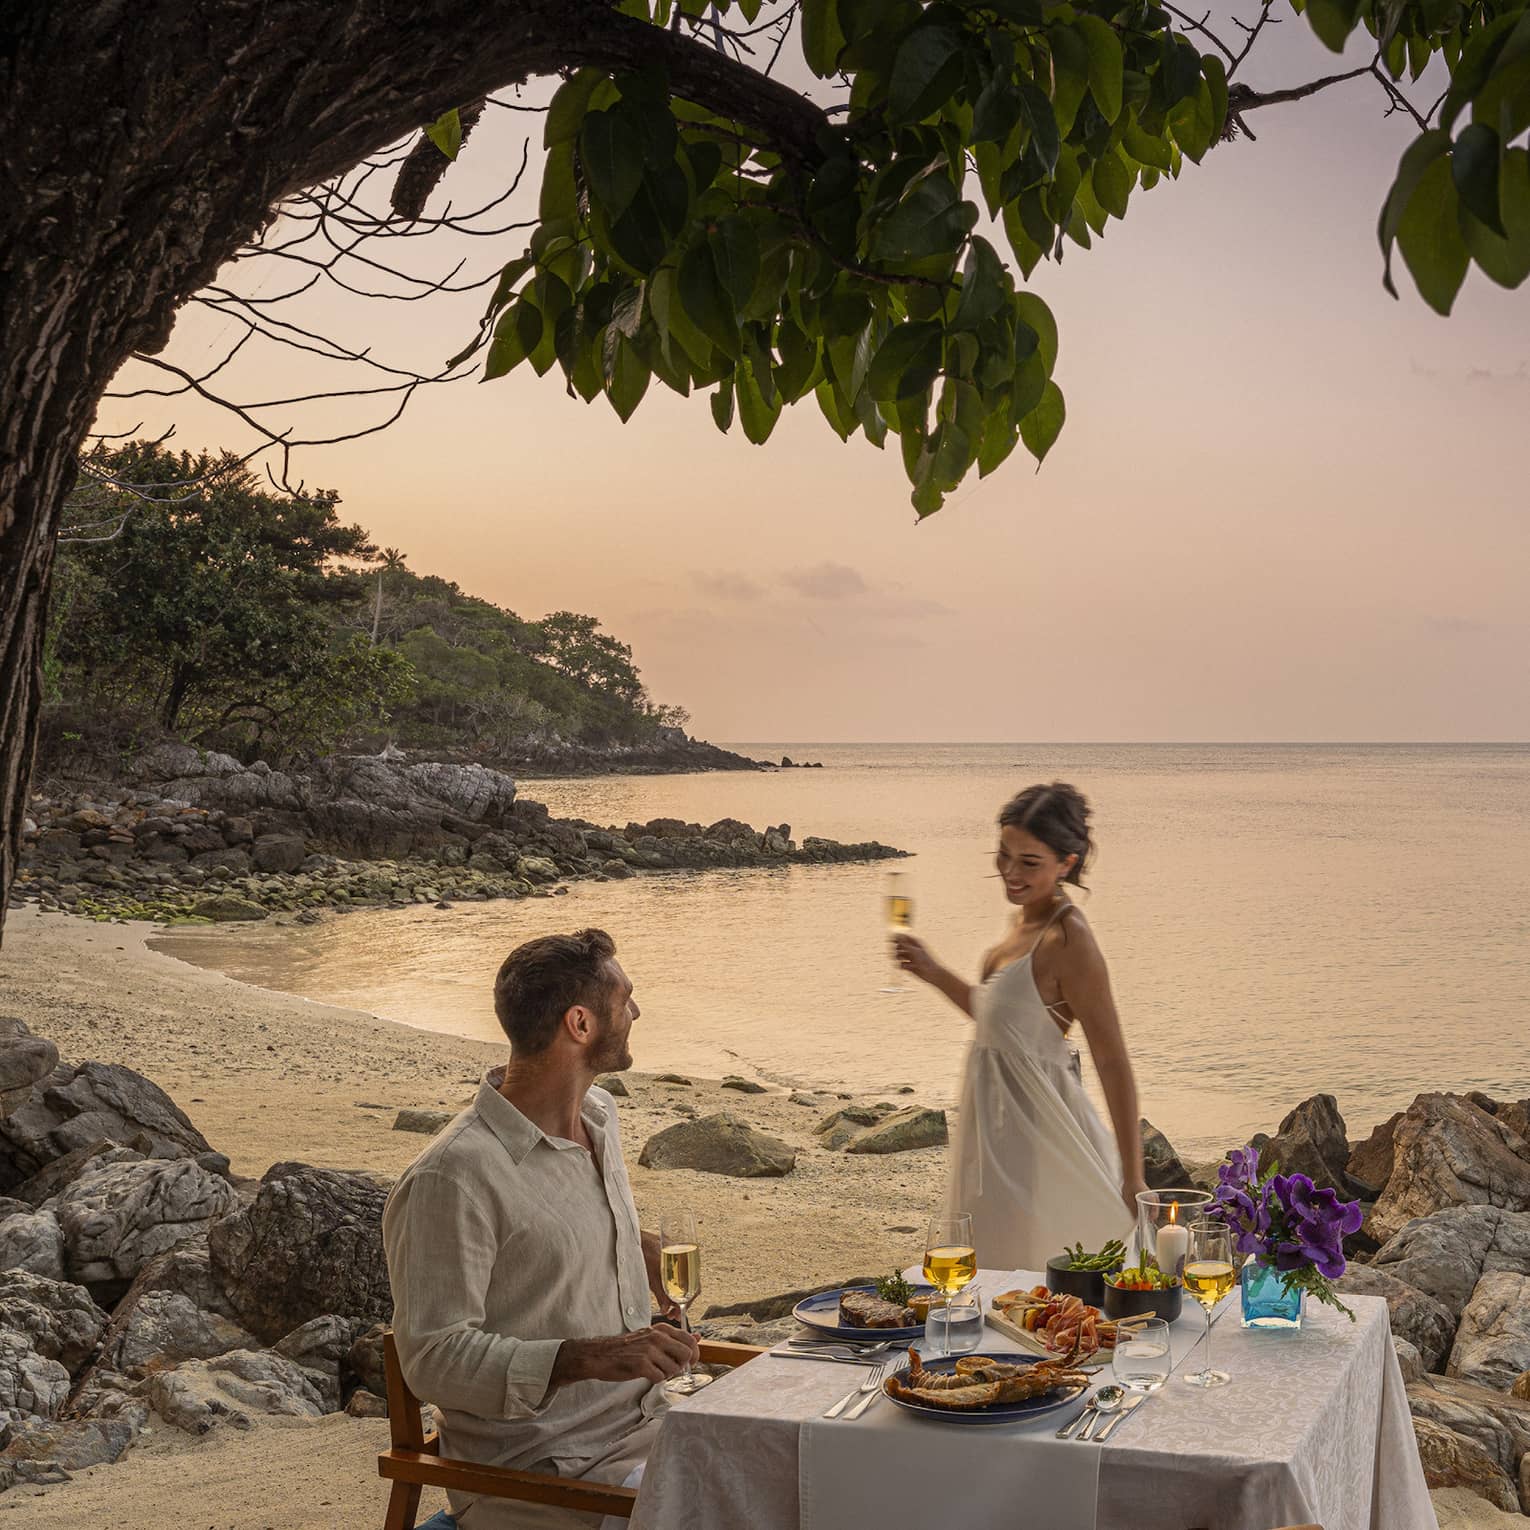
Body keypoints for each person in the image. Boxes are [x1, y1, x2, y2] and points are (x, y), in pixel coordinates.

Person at [382, 928, 698, 1529]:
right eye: (625, 998)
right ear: (580, 1024)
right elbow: (433, 1356)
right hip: (547, 1472)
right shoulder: (452, 1178)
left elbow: (540, 1233)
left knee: (820, 1469)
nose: (636, 1011)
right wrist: (588, 1358)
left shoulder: (599, 1117)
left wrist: (629, 1243)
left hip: (653, 1427)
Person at [894, 782, 1144, 1269]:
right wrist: (933, 971)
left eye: (1029, 862)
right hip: (992, 1127)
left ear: (1066, 863)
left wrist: (1133, 1177)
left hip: (1038, 1135)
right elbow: (1004, 1026)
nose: (1010, 872)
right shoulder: (1021, 923)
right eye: (1003, 855)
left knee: (1031, 1276)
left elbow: (1112, 1060)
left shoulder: (1069, 939)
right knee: (988, 1273)